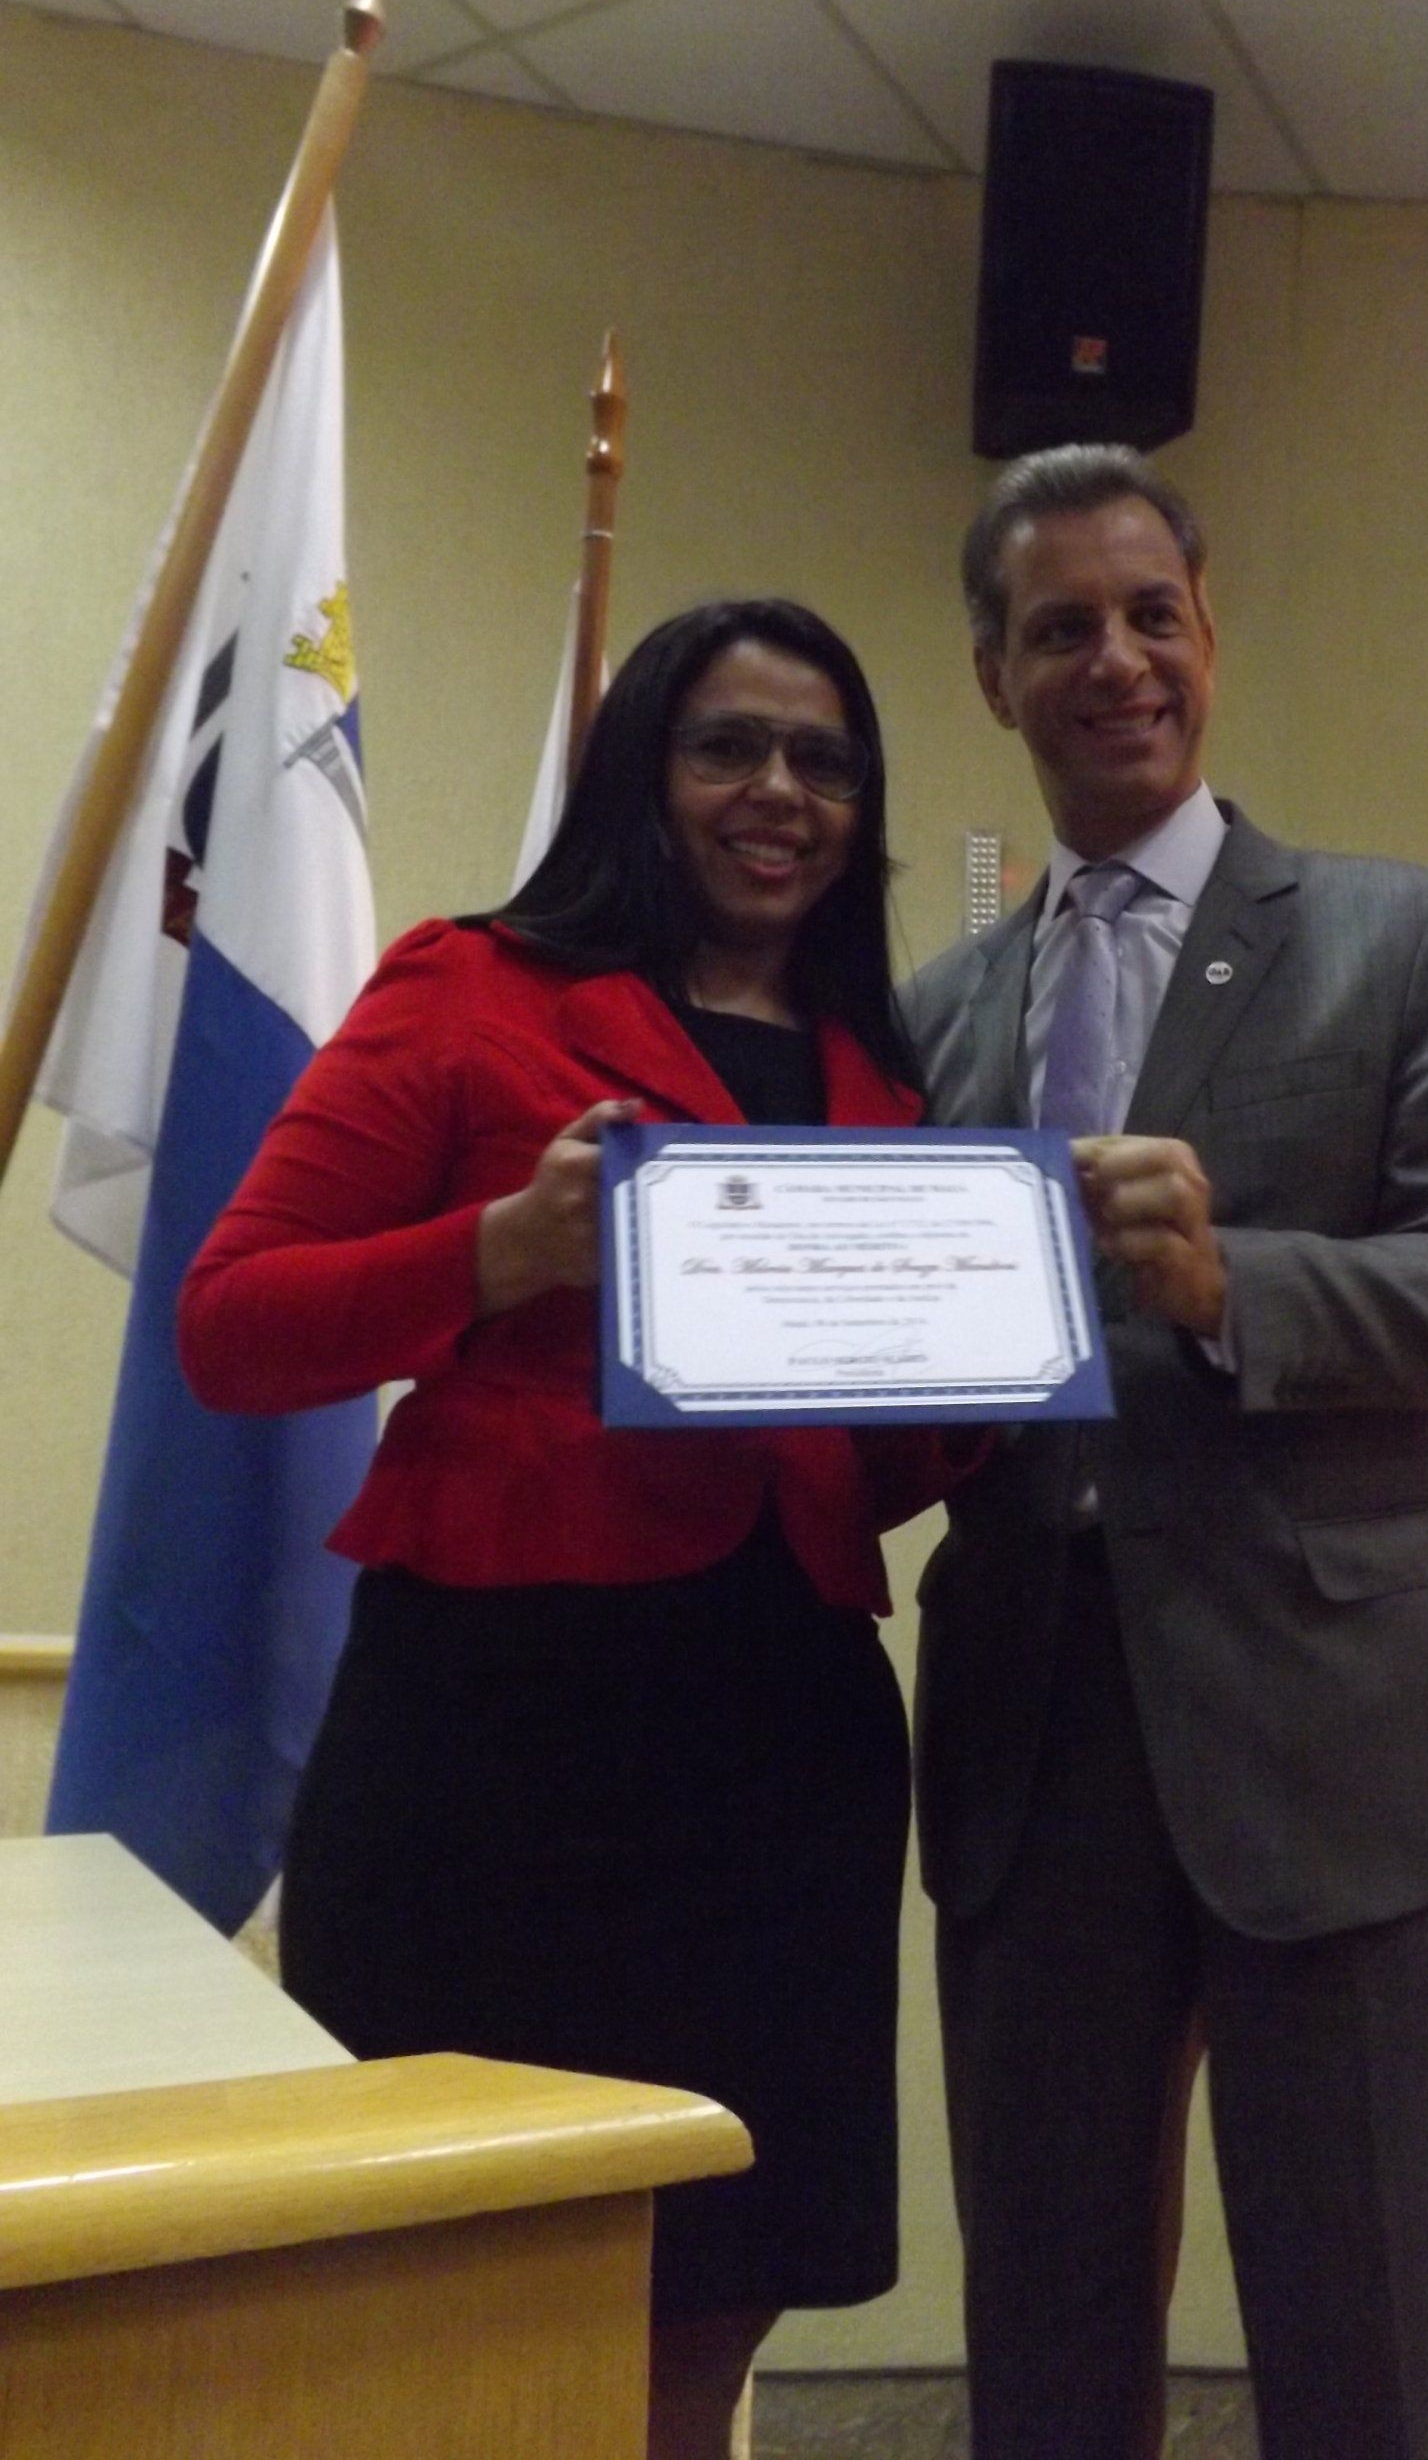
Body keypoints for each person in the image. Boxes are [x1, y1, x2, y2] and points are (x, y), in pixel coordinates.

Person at [180, 599, 962, 2460]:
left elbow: (852, 1450)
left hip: (783, 1745)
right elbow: (231, 1322)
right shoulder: (472, 986)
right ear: (640, 773)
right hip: (501, 1739)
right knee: (471, 2285)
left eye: (826, 761)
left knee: (727, 2268)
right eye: (728, 746)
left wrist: (1001, 1367)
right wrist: (500, 1251)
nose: (780, 792)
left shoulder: (881, 1072)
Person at [901, 446, 1428, 2460]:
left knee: (1385, 2371)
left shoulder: (1394, 933)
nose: (1116, 660)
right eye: (1061, 629)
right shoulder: (936, 1012)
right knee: (1046, 2371)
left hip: (1345, 1754)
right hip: (1034, 1756)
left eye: (1150, 615)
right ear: (994, 675)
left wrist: (1228, 1282)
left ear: (1209, 635)